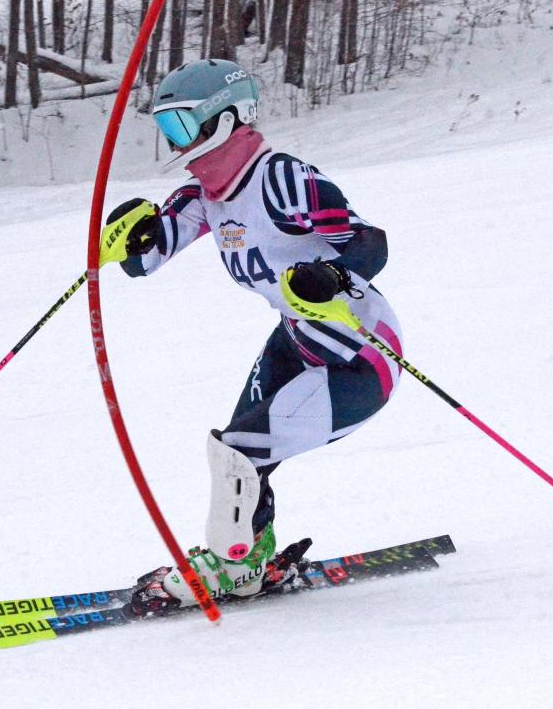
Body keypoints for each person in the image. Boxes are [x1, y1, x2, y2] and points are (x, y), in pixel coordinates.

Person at [98, 59, 404, 615]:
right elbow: (145, 262)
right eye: (166, 128)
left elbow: (370, 244)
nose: (177, 144)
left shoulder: (282, 178)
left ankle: (227, 566)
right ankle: (249, 561)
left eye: (183, 126)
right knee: (239, 451)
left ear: (227, 120)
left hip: (359, 354)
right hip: (296, 339)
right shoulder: (202, 197)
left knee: (239, 452)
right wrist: (126, 236)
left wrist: (332, 273)